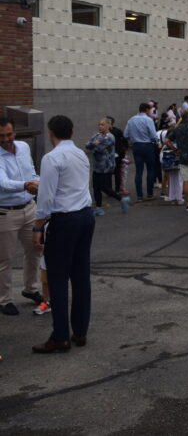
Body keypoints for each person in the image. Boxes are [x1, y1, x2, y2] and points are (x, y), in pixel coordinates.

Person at [31, 115, 94, 353]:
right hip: (85, 216)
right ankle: (80, 331)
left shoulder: (52, 158)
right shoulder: (79, 154)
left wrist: (38, 226)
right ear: (71, 131)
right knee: (80, 275)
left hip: (65, 220)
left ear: (50, 133)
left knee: (57, 278)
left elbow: (46, 198)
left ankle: (60, 335)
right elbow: (71, 186)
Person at [0, 116, 42, 316]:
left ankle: (30, 289)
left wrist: (39, 182)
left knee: (35, 249)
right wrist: (26, 185)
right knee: (5, 259)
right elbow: (3, 182)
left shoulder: (24, 147)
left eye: (9, 134)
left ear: (14, 132)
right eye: (1, 136)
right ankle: (5, 299)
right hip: (5, 212)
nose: (6, 139)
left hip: (29, 207)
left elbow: (31, 171)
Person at [84, 118, 128, 215]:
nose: (100, 126)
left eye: (103, 125)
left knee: (104, 187)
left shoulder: (110, 137)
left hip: (106, 166)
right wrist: (93, 144)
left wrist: (93, 147)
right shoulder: (96, 135)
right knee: (95, 187)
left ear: (108, 126)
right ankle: (98, 208)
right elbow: (87, 145)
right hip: (97, 166)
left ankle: (122, 199)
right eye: (99, 124)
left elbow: (98, 149)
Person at [124, 102, 160, 202]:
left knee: (138, 171)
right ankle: (149, 194)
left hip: (136, 146)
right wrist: (157, 143)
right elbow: (153, 135)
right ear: (147, 110)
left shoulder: (131, 120)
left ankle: (139, 196)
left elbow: (125, 134)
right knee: (150, 170)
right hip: (148, 146)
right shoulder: (149, 120)